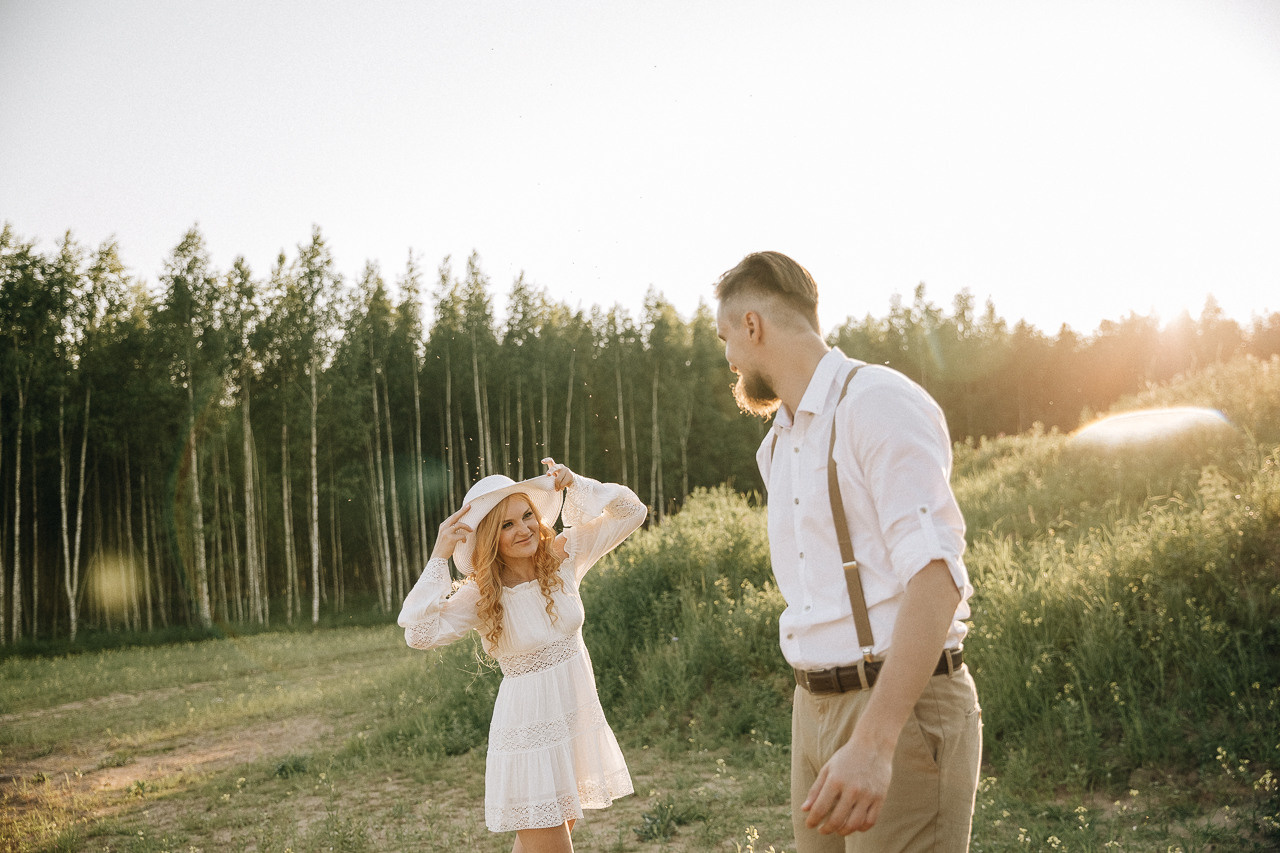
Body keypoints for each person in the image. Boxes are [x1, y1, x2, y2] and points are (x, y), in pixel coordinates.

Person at [713, 252, 982, 852]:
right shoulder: (777, 445)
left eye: (726, 337)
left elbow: (936, 578)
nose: (729, 358)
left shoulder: (876, 403)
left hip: (896, 710)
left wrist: (874, 741)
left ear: (752, 325)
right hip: (812, 709)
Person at [398, 457, 646, 853]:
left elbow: (632, 511)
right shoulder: (479, 593)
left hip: (571, 720)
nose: (524, 529)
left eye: (527, 515)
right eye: (507, 525)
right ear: (489, 538)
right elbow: (419, 633)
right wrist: (438, 557)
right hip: (529, 734)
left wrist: (575, 483)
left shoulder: (563, 556)